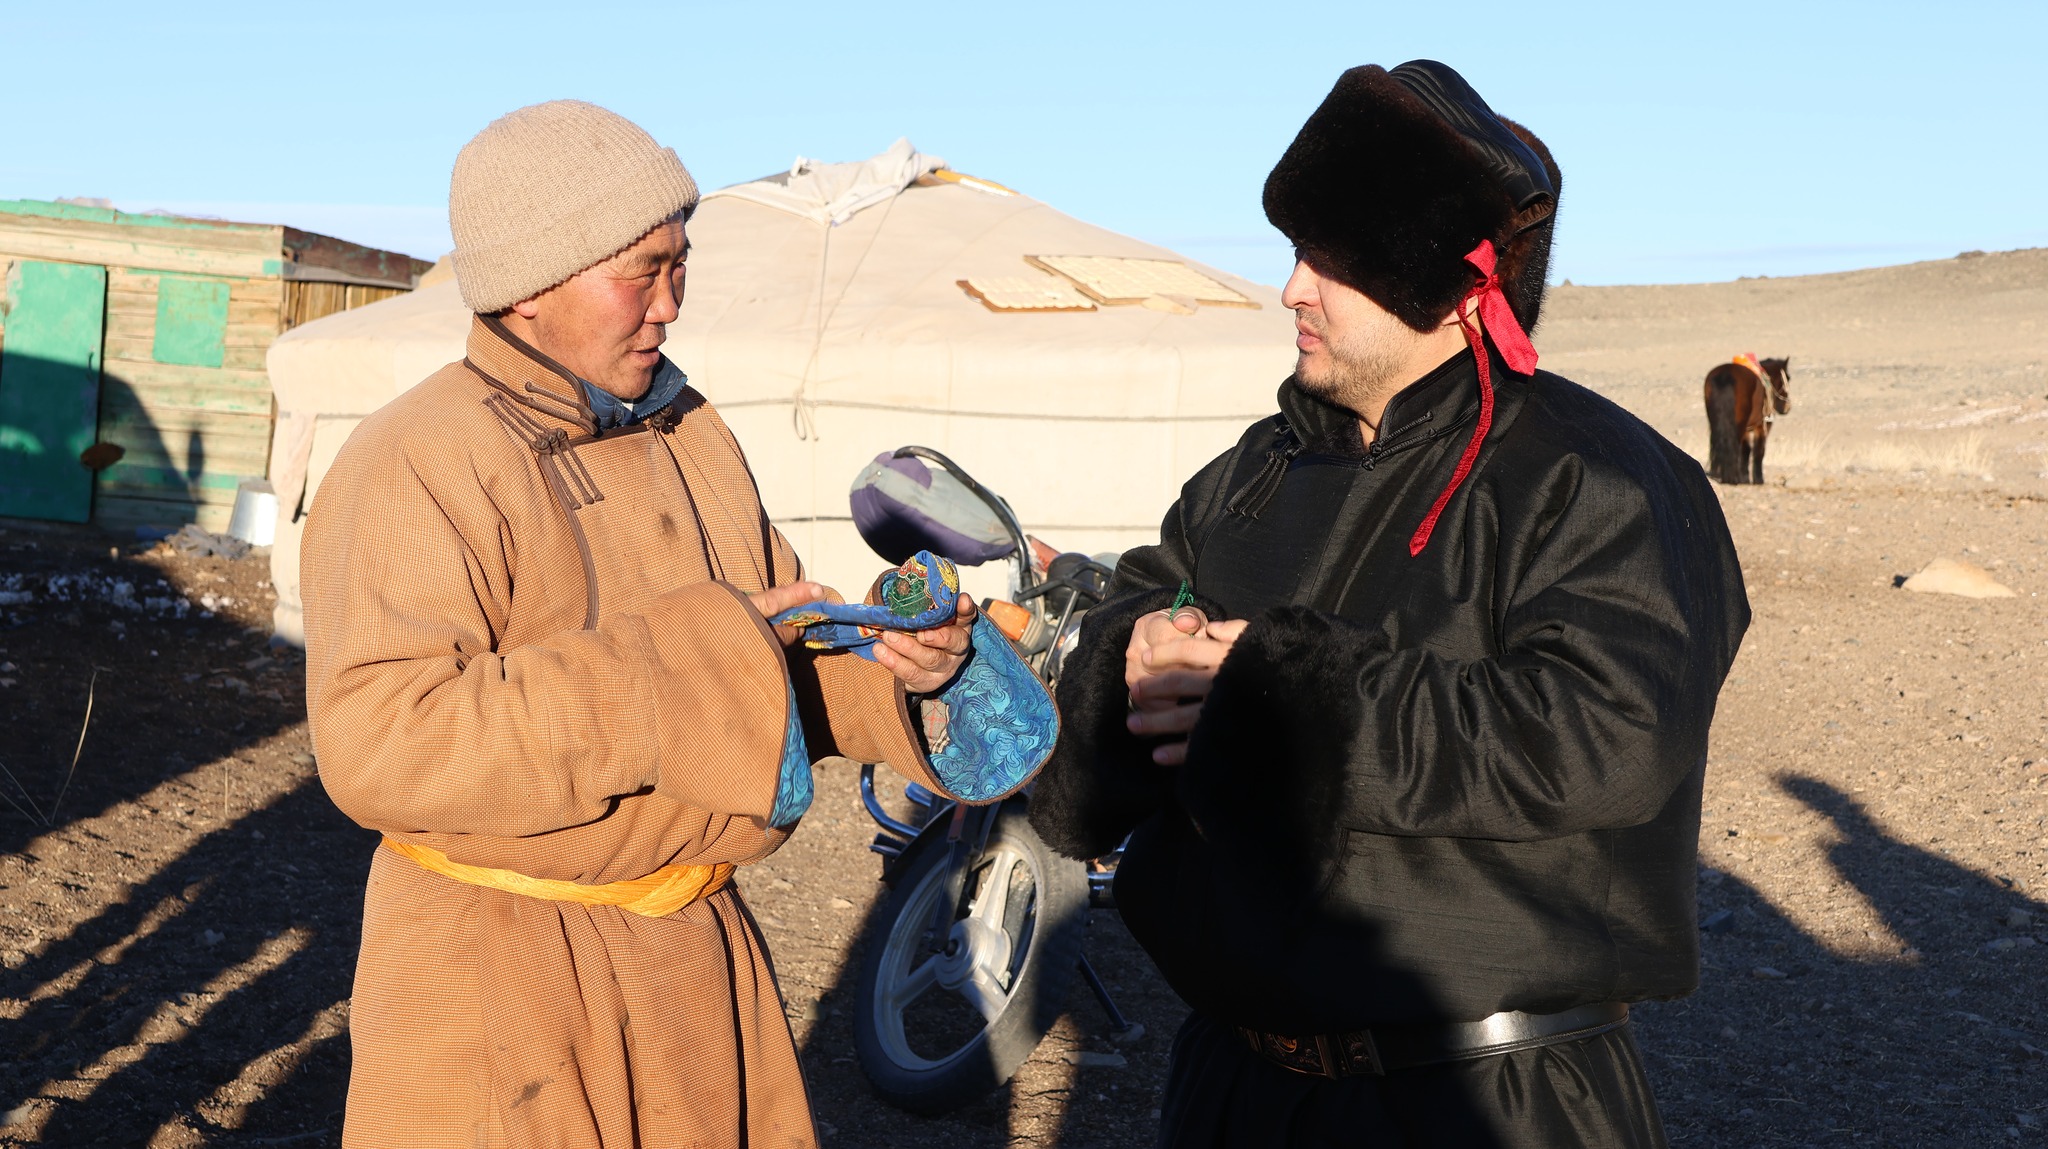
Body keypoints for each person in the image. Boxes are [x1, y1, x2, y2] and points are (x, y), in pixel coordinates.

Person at [301, 101, 1052, 1149]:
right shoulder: (418, 458)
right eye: (640, 272)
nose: (671, 304)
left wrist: (907, 669)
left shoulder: (689, 433)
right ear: (528, 286)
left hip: (697, 967)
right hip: (500, 978)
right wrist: (679, 668)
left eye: (680, 263)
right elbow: (383, 742)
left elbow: (774, 647)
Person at [1029, 61, 1748, 1147]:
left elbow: (1609, 731)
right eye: (1295, 253)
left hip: (1483, 1098)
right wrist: (1129, 657)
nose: (1291, 290)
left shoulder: (1595, 476)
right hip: (1232, 1091)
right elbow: (1144, 602)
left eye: (1332, 261)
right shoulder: (1254, 472)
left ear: (1444, 286)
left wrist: (1285, 701)